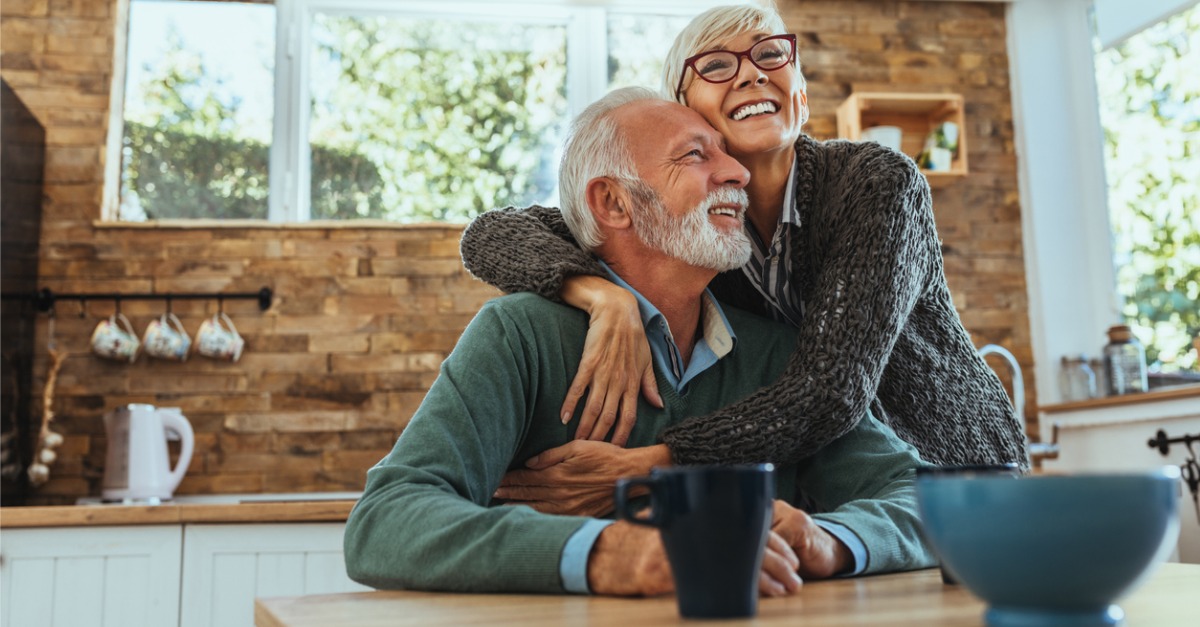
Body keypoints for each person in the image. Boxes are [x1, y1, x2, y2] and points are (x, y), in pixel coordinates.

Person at [344, 87, 936, 596]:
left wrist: (828, 537)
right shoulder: (520, 335)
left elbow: (923, 500)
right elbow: (386, 521)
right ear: (613, 203)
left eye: (727, 155)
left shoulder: (778, 354)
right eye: (696, 156)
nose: (737, 173)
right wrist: (610, 553)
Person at [459, 4, 1028, 511]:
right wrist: (600, 294)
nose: (752, 72)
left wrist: (650, 463)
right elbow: (492, 234)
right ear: (685, 111)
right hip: (819, 496)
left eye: (771, 55)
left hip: (951, 476)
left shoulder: (876, 184)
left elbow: (830, 391)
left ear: (800, 92)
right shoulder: (690, 228)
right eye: (716, 65)